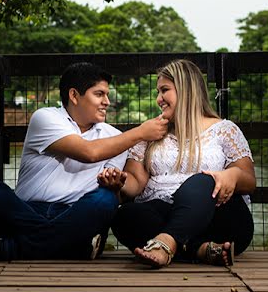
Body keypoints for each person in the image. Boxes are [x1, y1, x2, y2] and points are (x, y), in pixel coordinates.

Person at [0, 62, 169, 262]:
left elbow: (118, 187)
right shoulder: (46, 118)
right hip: (27, 210)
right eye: (99, 94)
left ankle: (7, 249)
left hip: (77, 214)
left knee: (105, 199)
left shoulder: (115, 137)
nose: (107, 101)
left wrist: (114, 185)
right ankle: (74, 247)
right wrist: (140, 132)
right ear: (74, 95)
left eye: (107, 95)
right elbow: (88, 152)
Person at [99, 59, 255, 268]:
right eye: (158, 92)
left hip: (218, 217)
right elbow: (136, 183)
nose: (158, 99)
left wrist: (232, 175)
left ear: (186, 89)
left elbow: (249, 180)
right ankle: (199, 250)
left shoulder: (225, 130)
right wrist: (119, 183)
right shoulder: (150, 132)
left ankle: (167, 241)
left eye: (164, 90)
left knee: (203, 181)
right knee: (125, 216)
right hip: (163, 212)